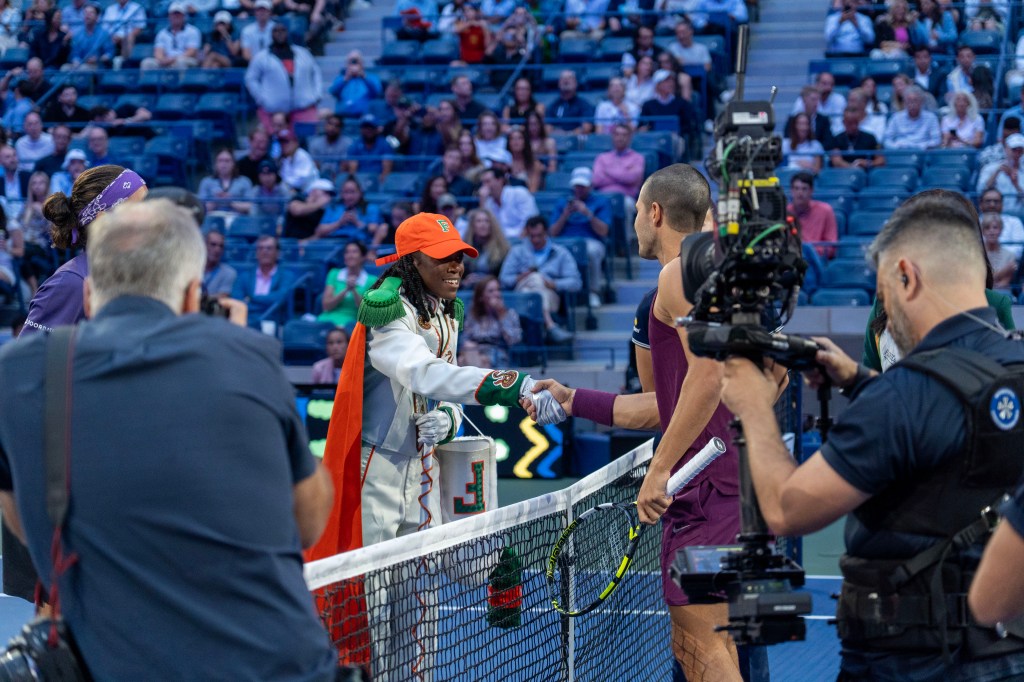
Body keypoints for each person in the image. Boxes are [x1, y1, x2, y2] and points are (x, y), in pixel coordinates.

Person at [0, 199, 337, 679]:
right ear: (191, 297)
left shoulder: (16, 373)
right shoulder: (248, 354)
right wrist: (233, 348)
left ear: (90, 297)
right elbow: (307, 521)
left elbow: (24, 520)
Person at [720, 192, 1024, 681]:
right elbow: (962, 427)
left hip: (908, 661)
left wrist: (755, 406)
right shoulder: (1012, 365)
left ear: (908, 276)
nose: (882, 306)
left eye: (883, 290)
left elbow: (787, 509)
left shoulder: (904, 397)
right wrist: (861, 381)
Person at [528, 163, 754, 682]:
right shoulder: (718, 280)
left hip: (707, 492)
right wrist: (573, 399)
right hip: (729, 486)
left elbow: (709, 375)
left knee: (705, 650)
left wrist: (660, 469)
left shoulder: (677, 277)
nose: (633, 224)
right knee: (706, 644)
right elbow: (671, 403)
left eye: (635, 213)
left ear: (654, 213)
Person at [7, 165, 147, 603]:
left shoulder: (131, 284)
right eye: (142, 208)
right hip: (53, 497)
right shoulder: (71, 284)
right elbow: (20, 381)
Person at [498, 215, 579, 342]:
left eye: (539, 235)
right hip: (520, 295)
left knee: (532, 287)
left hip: (550, 296)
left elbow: (575, 282)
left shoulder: (560, 253)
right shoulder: (517, 251)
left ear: (546, 232)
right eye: (532, 236)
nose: (535, 240)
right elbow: (503, 279)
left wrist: (554, 284)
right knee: (534, 278)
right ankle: (550, 326)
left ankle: (535, 342)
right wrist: (521, 277)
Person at [244, 22, 322, 133]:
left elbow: (316, 72)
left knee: (306, 141)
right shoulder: (261, 57)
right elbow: (250, 79)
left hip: (304, 106)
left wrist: (317, 94)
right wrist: (262, 99)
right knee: (276, 144)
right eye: (276, 31)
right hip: (274, 110)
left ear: (287, 33)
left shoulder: (302, 53)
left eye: (282, 31)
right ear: (271, 34)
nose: (279, 34)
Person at [549, 167, 610, 306]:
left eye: (583, 186)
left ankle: (593, 292)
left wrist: (587, 213)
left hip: (591, 241)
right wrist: (565, 215)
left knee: (592, 252)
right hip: (564, 241)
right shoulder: (562, 202)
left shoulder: (601, 202)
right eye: (577, 186)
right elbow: (552, 232)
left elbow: (604, 231)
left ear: (590, 186)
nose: (579, 190)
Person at [230, 235, 295, 327]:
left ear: (277, 253)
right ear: (256, 253)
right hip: (246, 321)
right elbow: (237, 302)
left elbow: (280, 298)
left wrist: (251, 298)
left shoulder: (287, 276)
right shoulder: (244, 277)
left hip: (273, 322)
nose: (264, 251)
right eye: (260, 248)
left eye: (269, 248)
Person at [461, 275, 522, 366]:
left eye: (498, 290)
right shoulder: (473, 315)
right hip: (474, 351)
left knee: (479, 361)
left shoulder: (509, 314)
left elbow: (514, 340)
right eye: (491, 291)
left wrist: (500, 314)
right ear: (481, 297)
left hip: (497, 353)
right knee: (467, 352)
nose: (497, 294)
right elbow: (465, 339)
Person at [318, 240, 376, 327]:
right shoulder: (334, 273)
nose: (350, 255)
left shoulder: (372, 280)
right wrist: (346, 289)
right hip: (327, 319)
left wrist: (354, 290)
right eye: (347, 252)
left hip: (352, 323)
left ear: (363, 257)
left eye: (354, 252)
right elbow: (326, 306)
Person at [788, 172, 838, 259]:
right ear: (791, 191)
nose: (800, 193)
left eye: (804, 189)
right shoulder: (785, 212)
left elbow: (831, 246)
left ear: (811, 191)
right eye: (796, 188)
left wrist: (809, 251)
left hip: (815, 260)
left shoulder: (825, 211)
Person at [479, 166, 538, 239]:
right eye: (483, 183)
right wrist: (482, 201)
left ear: (500, 180)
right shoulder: (488, 202)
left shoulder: (520, 193)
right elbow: (484, 228)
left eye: (487, 181)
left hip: (522, 240)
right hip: (500, 242)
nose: (484, 186)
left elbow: (530, 222)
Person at [140, 2, 201, 69]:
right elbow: (158, 51)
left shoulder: (193, 31)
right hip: (166, 59)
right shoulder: (162, 33)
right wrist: (162, 60)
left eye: (179, 14)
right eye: (173, 14)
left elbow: (191, 51)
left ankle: (181, 79)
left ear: (184, 16)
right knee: (147, 62)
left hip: (185, 59)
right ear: (169, 16)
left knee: (180, 62)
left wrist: (174, 59)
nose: (176, 17)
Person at [461, 207, 510, 288]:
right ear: (472, 225)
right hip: (469, 289)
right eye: (479, 221)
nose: (483, 224)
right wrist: (464, 282)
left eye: (487, 221)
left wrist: (486, 280)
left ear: (491, 225)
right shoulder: (463, 250)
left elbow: (504, 279)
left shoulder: (503, 249)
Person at [978, 133, 1024, 215]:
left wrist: (1016, 184)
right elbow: (980, 192)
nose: (1017, 154)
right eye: (1014, 150)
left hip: (1019, 216)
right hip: (992, 214)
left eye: (1020, 151)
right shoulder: (989, 168)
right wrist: (997, 172)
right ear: (1006, 149)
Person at [883, 85, 941, 150]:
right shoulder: (896, 118)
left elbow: (937, 140)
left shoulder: (931, 118)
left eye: (915, 100)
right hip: (902, 153)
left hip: (924, 153)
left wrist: (922, 146)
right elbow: (887, 140)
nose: (912, 104)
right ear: (904, 102)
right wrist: (897, 147)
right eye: (909, 101)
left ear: (921, 102)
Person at [197, 148, 252, 215]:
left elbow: (250, 207)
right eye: (220, 161)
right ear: (215, 164)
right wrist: (216, 200)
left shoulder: (244, 182)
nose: (223, 164)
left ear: (233, 164)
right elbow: (200, 208)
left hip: (237, 220)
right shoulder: (206, 182)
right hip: (213, 220)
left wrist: (231, 202)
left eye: (227, 161)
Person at [550, 71, 595, 135]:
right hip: (558, 141)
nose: (566, 81)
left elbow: (587, 127)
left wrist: (568, 134)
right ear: (558, 83)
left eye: (570, 78)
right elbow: (547, 127)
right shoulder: (553, 105)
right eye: (563, 78)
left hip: (578, 141)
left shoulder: (584, 105)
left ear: (576, 83)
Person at [981, 212, 1016, 288]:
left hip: (1002, 293)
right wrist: (1004, 270)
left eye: (995, 228)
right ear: (983, 231)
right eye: (987, 228)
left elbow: (1004, 283)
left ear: (1001, 230)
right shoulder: (977, 254)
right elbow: (981, 280)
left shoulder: (1010, 255)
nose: (991, 231)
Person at [202, 229, 236, 297]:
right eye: (213, 244)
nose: (217, 250)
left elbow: (222, 297)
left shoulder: (229, 273)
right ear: (203, 245)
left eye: (221, 246)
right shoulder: (190, 269)